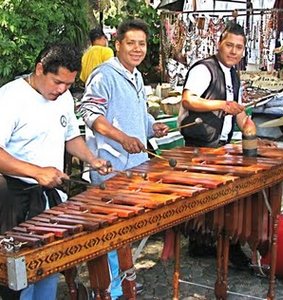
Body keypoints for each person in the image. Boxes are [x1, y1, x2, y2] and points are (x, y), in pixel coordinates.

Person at [0, 42, 110, 300]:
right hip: (14, 199)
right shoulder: (9, 98)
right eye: (57, 82)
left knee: (49, 265)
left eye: (68, 84)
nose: (61, 90)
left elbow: (70, 137)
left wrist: (92, 159)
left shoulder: (64, 99)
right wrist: (37, 172)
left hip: (50, 198)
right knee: (20, 277)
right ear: (40, 68)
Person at [79, 19, 169, 299]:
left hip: (135, 167)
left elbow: (139, 116)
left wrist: (151, 126)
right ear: (117, 44)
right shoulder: (103, 76)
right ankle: (107, 289)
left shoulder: (137, 75)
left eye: (141, 44)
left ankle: (121, 281)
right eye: (131, 43)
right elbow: (91, 116)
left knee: (126, 228)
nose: (137, 49)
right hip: (110, 167)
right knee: (111, 230)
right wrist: (122, 139)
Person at [178, 22, 255, 268]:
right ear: (219, 43)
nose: (233, 51)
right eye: (229, 45)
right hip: (200, 145)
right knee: (216, 198)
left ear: (243, 51)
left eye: (238, 47)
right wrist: (221, 105)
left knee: (231, 195)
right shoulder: (204, 69)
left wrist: (251, 131)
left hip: (220, 145)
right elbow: (189, 100)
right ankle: (214, 243)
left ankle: (216, 241)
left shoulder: (234, 73)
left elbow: (237, 111)